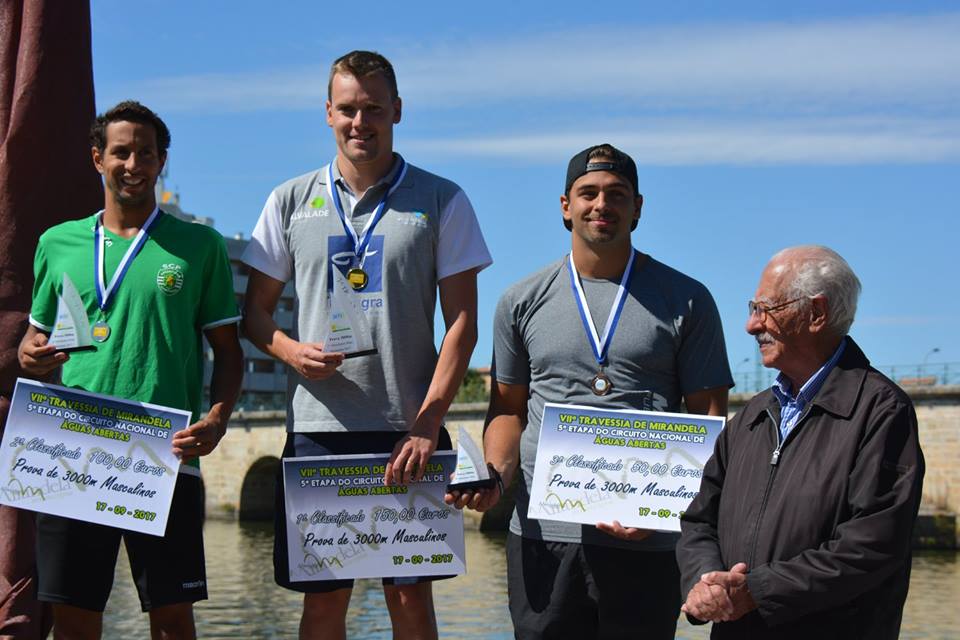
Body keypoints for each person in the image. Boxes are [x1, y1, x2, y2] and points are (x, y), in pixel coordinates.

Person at [241, 50, 491, 639]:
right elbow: (251, 315)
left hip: (410, 431)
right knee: (324, 605)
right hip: (318, 430)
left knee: (410, 606)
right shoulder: (288, 200)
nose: (361, 122)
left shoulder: (442, 200)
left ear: (397, 111)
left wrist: (429, 420)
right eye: (348, 109)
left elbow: (463, 324)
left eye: (373, 109)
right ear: (328, 113)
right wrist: (288, 350)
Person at [447, 144, 732, 639]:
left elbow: (708, 420)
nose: (602, 204)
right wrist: (494, 475)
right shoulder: (520, 300)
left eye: (617, 194)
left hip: (646, 543)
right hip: (542, 537)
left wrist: (663, 509)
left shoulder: (688, 298)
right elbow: (509, 410)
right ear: (565, 206)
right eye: (589, 193)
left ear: (638, 208)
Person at [16, 101, 244, 639]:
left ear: (162, 161)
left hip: (162, 452)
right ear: (98, 158)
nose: (133, 163)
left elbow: (228, 352)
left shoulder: (200, 247)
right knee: (74, 619)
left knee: (170, 617)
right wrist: (30, 351)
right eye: (121, 151)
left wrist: (217, 417)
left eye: (146, 152)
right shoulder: (56, 244)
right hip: (74, 448)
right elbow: (34, 336)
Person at [676, 246, 925, 639]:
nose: (751, 325)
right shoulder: (752, 418)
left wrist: (757, 592)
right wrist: (706, 584)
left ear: (817, 314)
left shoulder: (880, 412)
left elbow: (872, 545)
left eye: (764, 308)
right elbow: (698, 519)